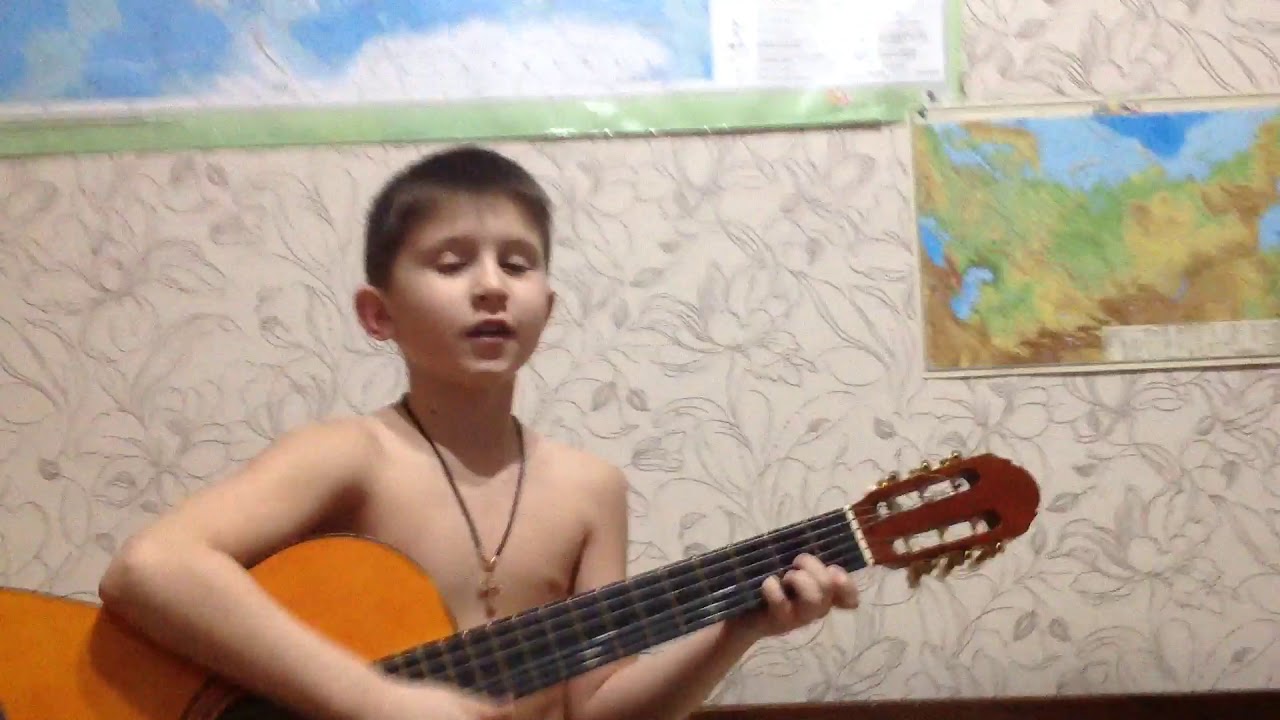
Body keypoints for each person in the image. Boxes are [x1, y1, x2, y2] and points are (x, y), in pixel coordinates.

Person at [97, 144, 860, 720]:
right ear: (378, 314)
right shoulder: (352, 456)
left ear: (547, 309)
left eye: (517, 265)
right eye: (451, 262)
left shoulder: (590, 489)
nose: (491, 285)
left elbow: (598, 706)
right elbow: (152, 566)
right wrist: (373, 700)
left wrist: (735, 631)